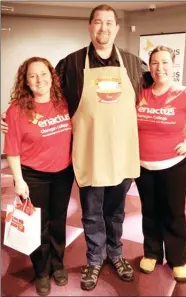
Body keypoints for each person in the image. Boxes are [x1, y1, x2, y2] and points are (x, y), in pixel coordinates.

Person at [1, 4, 150, 291]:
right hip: (89, 155)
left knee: (116, 212)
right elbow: (45, 98)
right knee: (91, 213)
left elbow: (153, 95)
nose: (103, 28)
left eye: (109, 23)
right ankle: (95, 259)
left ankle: (116, 254)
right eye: (98, 22)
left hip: (121, 155)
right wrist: (10, 118)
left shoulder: (134, 64)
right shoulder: (70, 65)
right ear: (89, 27)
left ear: (117, 28)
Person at [135, 45, 186, 282]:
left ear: (173, 66)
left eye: (165, 62)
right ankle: (151, 253)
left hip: (174, 166)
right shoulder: (141, 93)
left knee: (173, 213)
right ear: (150, 67)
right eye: (155, 63)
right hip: (143, 166)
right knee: (149, 211)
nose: (160, 68)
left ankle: (178, 259)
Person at [3, 57, 74, 296]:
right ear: (25, 81)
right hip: (33, 176)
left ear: (52, 76)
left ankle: (58, 264)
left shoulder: (64, 102)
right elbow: (11, 148)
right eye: (32, 75)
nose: (39, 80)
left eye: (43, 74)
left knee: (58, 220)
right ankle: (42, 270)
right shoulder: (17, 109)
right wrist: (19, 180)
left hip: (63, 173)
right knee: (39, 226)